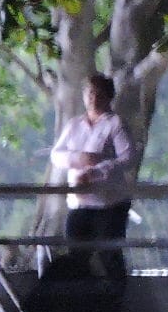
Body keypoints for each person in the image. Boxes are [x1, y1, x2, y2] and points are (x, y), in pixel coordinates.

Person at [48, 72, 136, 279]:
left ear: (108, 97)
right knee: (76, 257)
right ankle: (82, 304)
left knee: (109, 256)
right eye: (90, 93)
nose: (93, 98)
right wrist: (79, 158)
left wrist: (96, 172)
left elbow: (128, 157)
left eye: (99, 94)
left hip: (108, 205)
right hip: (79, 204)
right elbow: (56, 155)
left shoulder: (115, 123)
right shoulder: (74, 125)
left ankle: (115, 303)